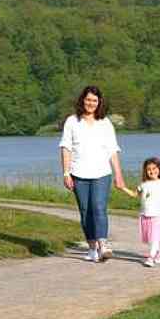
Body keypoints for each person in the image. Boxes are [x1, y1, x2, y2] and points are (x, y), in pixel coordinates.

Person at [60, 85, 125, 263]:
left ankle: (103, 245)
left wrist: (118, 175)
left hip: (101, 173)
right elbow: (66, 148)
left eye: (94, 101)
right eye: (88, 100)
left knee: (98, 207)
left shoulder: (105, 123)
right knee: (85, 211)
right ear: (83, 100)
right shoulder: (72, 121)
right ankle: (91, 248)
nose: (91, 103)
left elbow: (113, 150)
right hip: (79, 173)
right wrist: (66, 173)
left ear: (99, 103)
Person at [121, 157, 160, 268]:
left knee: (154, 237)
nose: (152, 171)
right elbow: (134, 194)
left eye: (154, 168)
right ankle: (158, 253)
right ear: (145, 171)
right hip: (145, 215)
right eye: (149, 169)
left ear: (159, 169)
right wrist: (122, 188)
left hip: (157, 215)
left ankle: (150, 257)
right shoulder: (143, 184)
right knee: (151, 237)